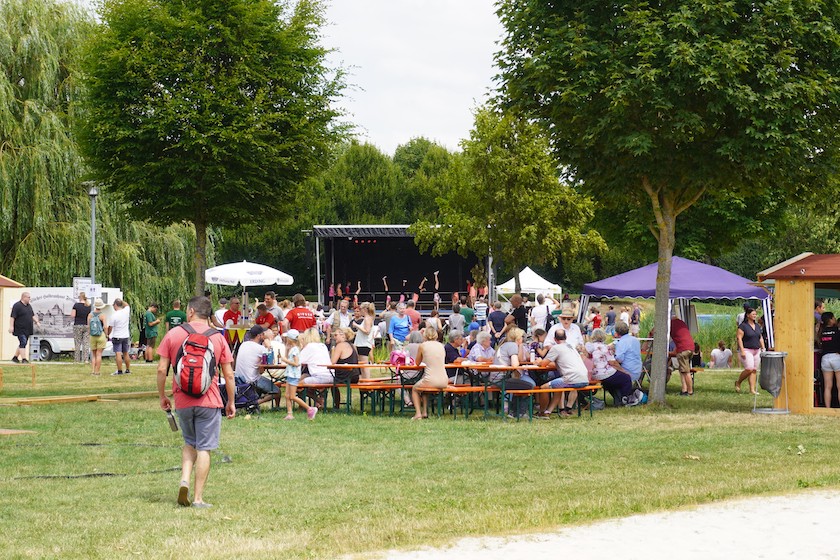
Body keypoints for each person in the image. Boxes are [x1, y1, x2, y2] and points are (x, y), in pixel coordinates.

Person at [156, 295, 235, 508]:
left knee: (189, 443)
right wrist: (231, 401)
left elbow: (162, 369)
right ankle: (198, 498)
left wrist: (162, 396)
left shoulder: (173, 334)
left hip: (183, 400)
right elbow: (228, 374)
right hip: (209, 400)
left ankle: (184, 480)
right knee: (204, 448)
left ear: (191, 311)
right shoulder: (218, 338)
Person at [538, 328, 590, 417]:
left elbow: (543, 364)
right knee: (558, 386)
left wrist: (539, 361)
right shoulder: (571, 347)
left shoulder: (556, 348)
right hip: (584, 379)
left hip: (570, 379)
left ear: (554, 339)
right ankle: (548, 412)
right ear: (565, 338)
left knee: (543, 388)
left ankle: (542, 412)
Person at [233, 325, 280, 405]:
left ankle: (254, 401)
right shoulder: (260, 348)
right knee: (277, 392)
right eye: (263, 334)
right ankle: (255, 403)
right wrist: (269, 346)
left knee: (261, 378)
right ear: (259, 336)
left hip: (239, 379)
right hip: (252, 380)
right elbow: (271, 362)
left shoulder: (243, 344)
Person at [278, 329, 317, 420]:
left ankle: (310, 409)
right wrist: (286, 350)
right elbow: (288, 358)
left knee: (292, 396)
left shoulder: (295, 350)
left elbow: (296, 363)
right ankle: (289, 413)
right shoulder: (292, 349)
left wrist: (285, 360)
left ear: (290, 339)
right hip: (290, 374)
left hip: (294, 375)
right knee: (287, 395)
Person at [411, 326, 450, 420]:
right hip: (444, 380)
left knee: (415, 389)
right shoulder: (441, 346)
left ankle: (418, 413)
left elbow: (417, 363)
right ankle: (424, 412)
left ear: (425, 335)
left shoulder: (423, 346)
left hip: (431, 379)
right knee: (424, 389)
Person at [735, 307, 765, 395]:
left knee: (754, 370)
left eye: (755, 314)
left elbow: (760, 338)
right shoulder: (743, 326)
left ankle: (752, 390)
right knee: (749, 368)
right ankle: (738, 382)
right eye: (753, 314)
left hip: (757, 350)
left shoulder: (757, 326)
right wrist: (742, 350)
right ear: (748, 315)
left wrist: (763, 348)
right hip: (747, 349)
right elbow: (739, 338)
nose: (755, 316)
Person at [9, 291, 39, 363]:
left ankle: (15, 357)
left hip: (28, 328)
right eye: (28, 297)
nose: (29, 299)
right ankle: (24, 359)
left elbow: (32, 315)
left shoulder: (29, 306)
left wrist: (37, 322)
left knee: (23, 343)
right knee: (23, 342)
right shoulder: (17, 306)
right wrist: (11, 326)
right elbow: (12, 317)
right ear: (24, 297)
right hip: (19, 328)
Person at [818, 312, 840, 408]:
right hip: (836, 357)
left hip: (825, 359)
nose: (835, 319)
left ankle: (827, 408)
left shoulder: (821, 332)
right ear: (830, 320)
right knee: (839, 386)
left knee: (827, 386)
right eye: (833, 318)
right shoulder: (837, 331)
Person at [670, 315, 695, 396]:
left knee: (686, 372)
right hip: (691, 348)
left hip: (683, 350)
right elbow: (681, 338)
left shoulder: (670, 324)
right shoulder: (682, 323)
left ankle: (690, 392)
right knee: (682, 370)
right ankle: (684, 390)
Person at [109, 299, 132, 376]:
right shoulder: (126, 311)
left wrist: (108, 334)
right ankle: (128, 370)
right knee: (126, 353)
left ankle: (119, 370)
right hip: (125, 335)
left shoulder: (114, 315)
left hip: (117, 336)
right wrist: (121, 301)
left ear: (115, 305)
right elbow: (127, 304)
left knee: (118, 353)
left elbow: (110, 327)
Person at [351, 302, 375, 368]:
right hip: (361, 344)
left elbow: (367, 331)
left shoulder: (367, 319)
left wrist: (356, 325)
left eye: (360, 309)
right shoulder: (367, 318)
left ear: (365, 309)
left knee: (364, 365)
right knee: (362, 365)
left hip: (364, 344)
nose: (360, 311)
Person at [88, 299, 108, 376]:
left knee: (94, 355)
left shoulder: (90, 315)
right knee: (99, 354)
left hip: (92, 336)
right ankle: (97, 371)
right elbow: (105, 327)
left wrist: (90, 334)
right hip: (100, 335)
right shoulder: (102, 315)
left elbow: (88, 326)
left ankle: (92, 370)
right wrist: (106, 335)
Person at [71, 292, 91, 364]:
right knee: (86, 343)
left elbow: (73, 315)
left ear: (80, 297)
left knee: (77, 343)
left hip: (77, 325)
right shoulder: (89, 306)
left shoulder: (76, 305)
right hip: (86, 325)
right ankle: (86, 360)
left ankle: (77, 360)